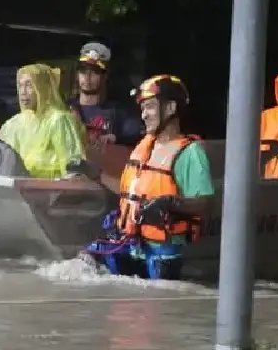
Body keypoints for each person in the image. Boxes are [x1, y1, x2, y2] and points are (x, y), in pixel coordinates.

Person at [83, 75, 215, 280]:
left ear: (171, 108)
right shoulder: (144, 146)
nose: (144, 115)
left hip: (163, 252)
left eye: (150, 107)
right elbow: (131, 193)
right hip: (130, 243)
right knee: (87, 260)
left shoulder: (190, 153)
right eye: (142, 108)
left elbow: (205, 203)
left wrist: (169, 203)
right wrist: (97, 175)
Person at [0, 63, 87, 179]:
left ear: (43, 88)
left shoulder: (58, 120)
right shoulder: (14, 124)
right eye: (20, 85)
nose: (23, 91)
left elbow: (72, 165)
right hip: (20, 187)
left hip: (52, 188)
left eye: (29, 85)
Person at [66, 42, 143, 147]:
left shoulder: (119, 112)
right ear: (77, 75)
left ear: (105, 76)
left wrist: (117, 139)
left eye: (94, 72)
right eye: (83, 71)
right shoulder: (66, 109)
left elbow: (136, 134)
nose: (87, 76)